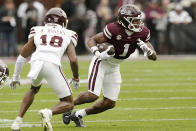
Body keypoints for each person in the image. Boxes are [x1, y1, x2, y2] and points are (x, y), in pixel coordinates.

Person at [62, 4, 157, 127]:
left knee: (110, 103)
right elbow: (91, 40)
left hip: (115, 66)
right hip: (102, 62)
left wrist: (150, 52)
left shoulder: (142, 32)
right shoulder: (114, 29)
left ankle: (78, 115)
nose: (139, 24)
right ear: (124, 21)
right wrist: (97, 53)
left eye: (139, 20)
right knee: (93, 95)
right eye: (135, 21)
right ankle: (67, 106)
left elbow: (153, 57)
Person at [10, 8, 79, 131]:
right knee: (69, 103)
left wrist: (16, 76)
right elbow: (73, 60)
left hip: (36, 62)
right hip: (52, 64)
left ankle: (17, 121)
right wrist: (76, 77)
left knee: (33, 89)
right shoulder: (69, 33)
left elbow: (22, 56)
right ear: (63, 21)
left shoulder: (37, 30)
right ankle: (48, 113)